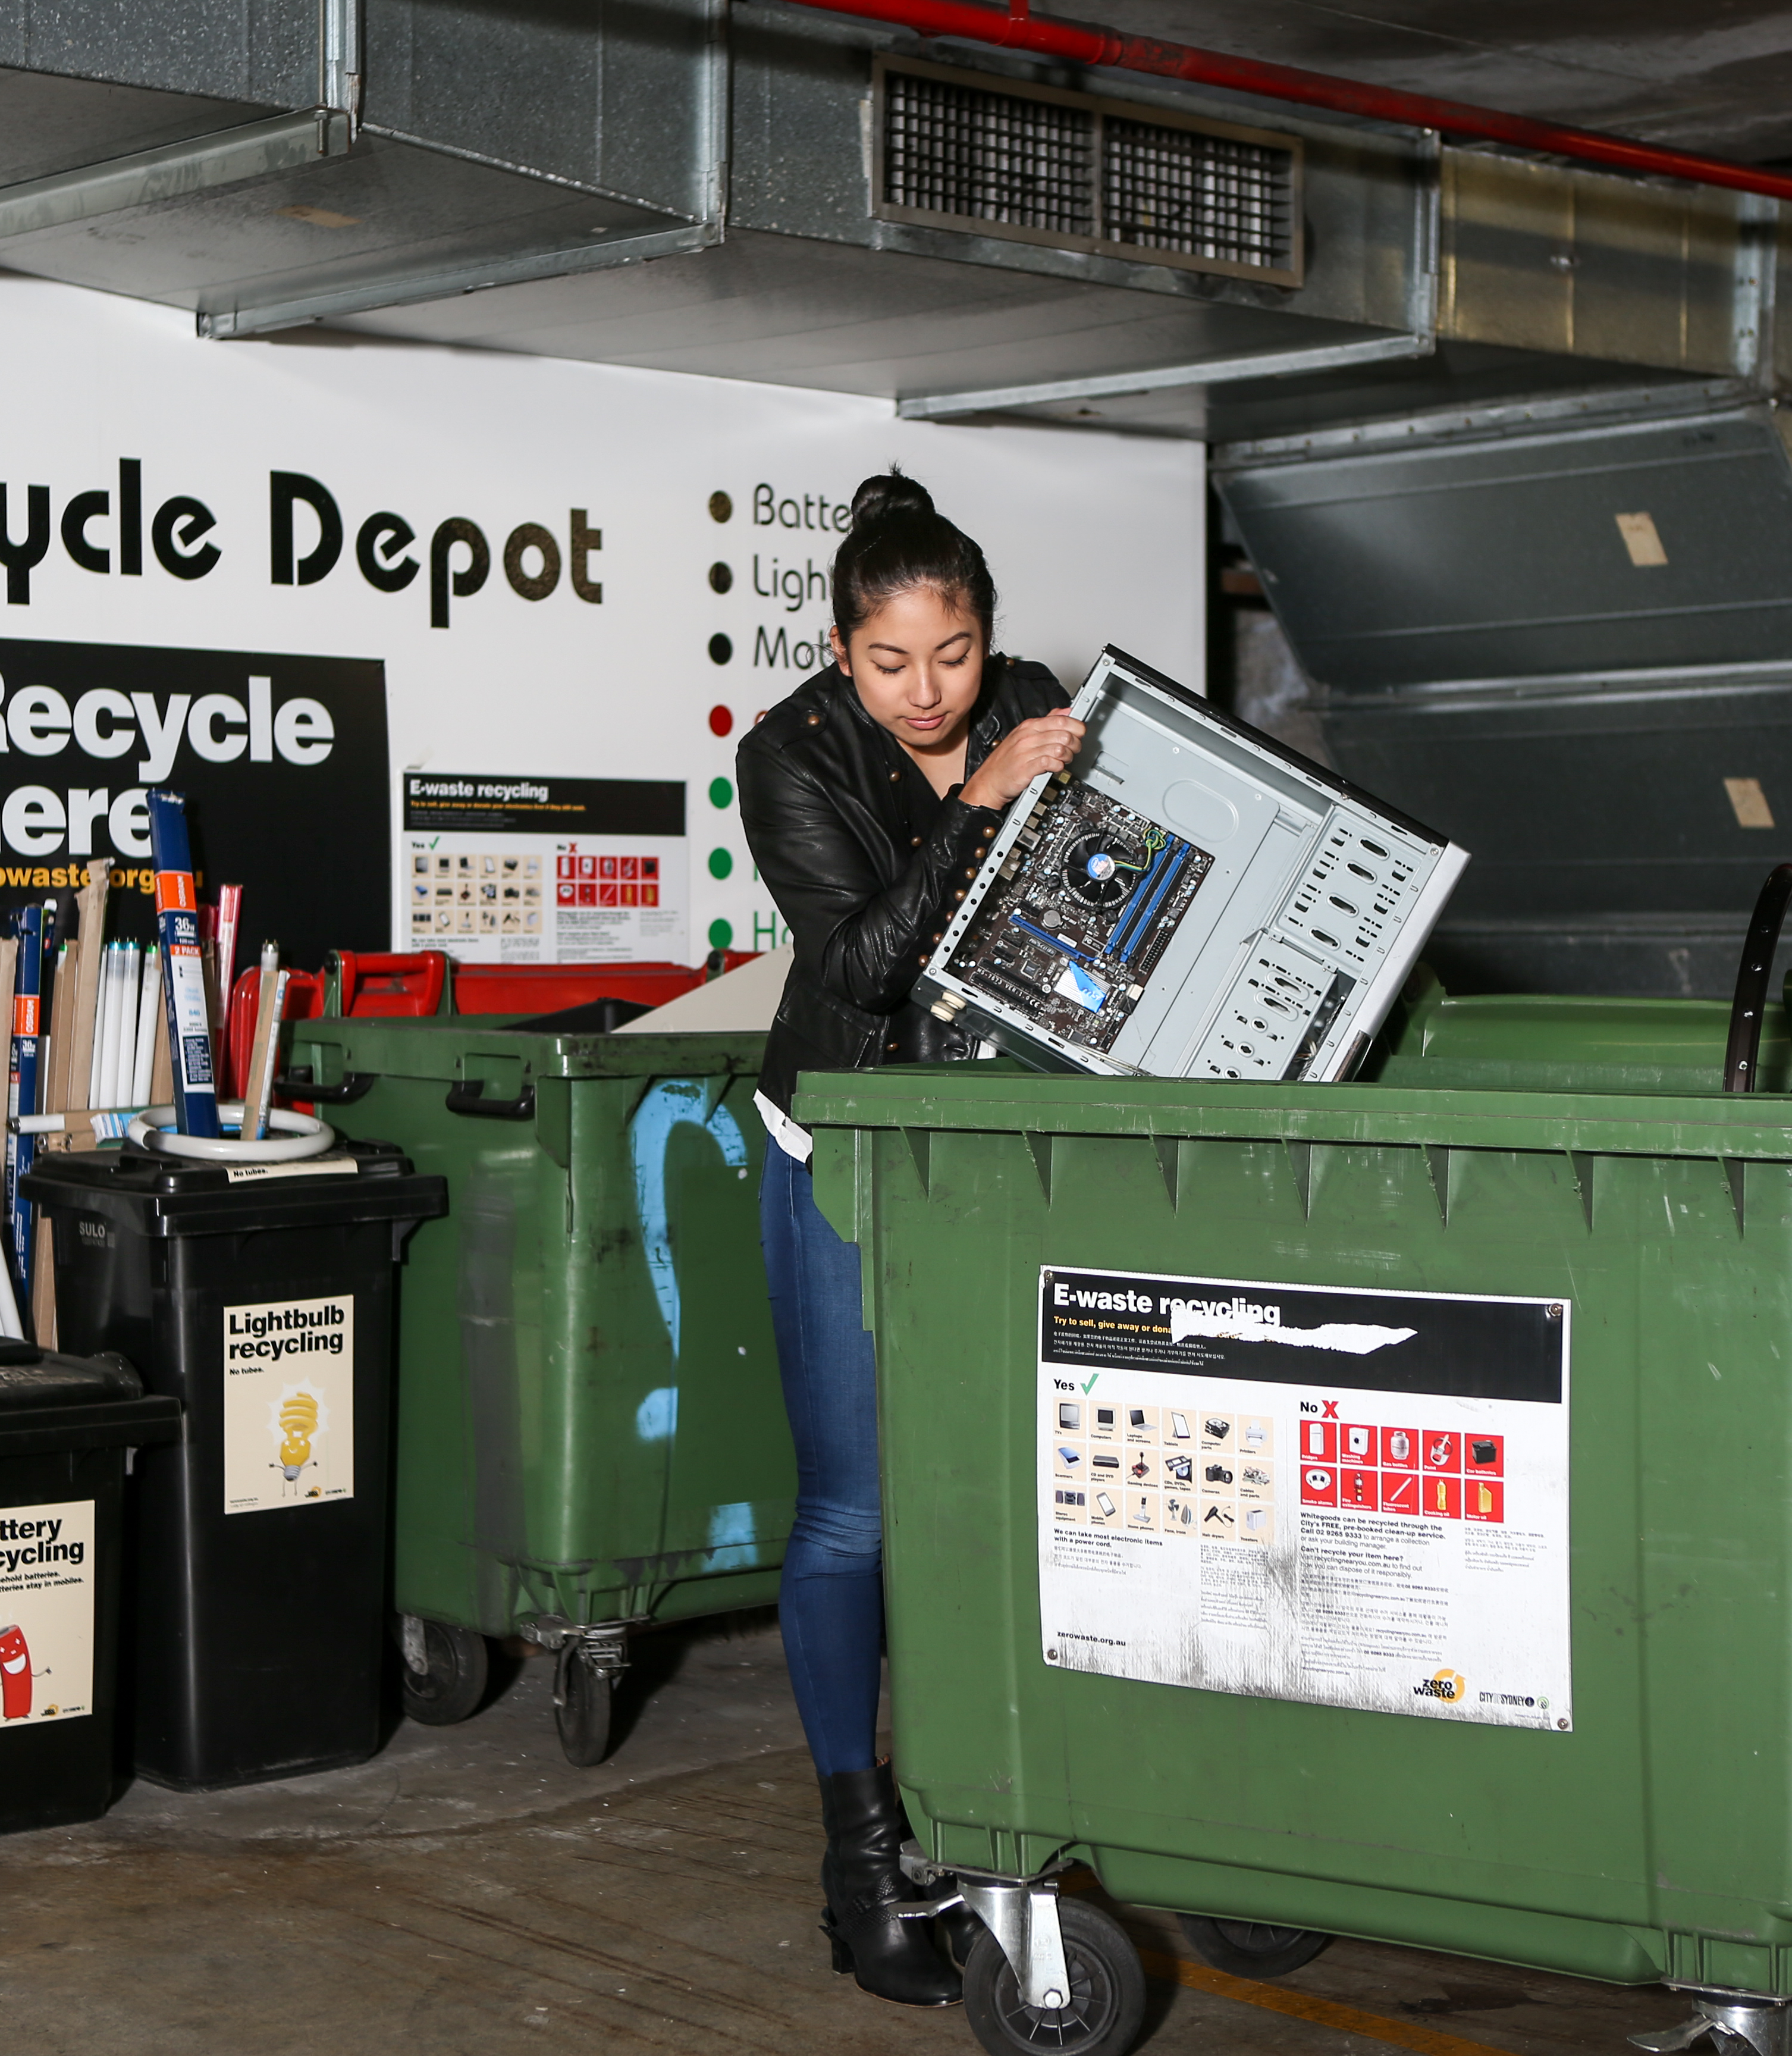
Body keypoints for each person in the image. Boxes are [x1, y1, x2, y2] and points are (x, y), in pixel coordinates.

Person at [736, 470, 1084, 2006]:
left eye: (952, 657)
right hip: (844, 1135)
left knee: (1009, 1493)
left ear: (987, 636)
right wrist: (981, 799)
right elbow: (869, 968)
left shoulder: (1028, 699)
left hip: (990, 1141)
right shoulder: (790, 757)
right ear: (837, 651)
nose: (929, 694)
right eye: (890, 665)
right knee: (859, 1511)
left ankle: (1002, 1796)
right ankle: (859, 1843)